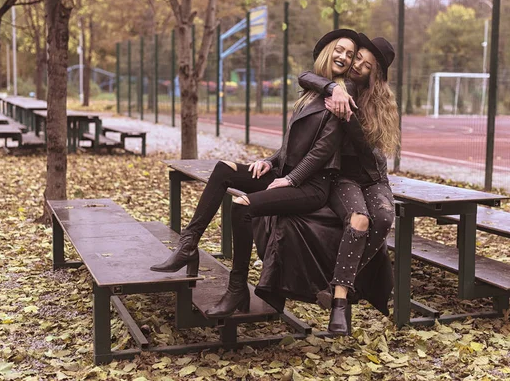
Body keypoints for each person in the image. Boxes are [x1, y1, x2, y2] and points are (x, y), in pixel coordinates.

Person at [150, 29, 360, 319]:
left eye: (350, 54)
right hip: (286, 171)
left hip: (311, 185)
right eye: (340, 49)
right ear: (327, 51)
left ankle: (236, 289)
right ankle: (188, 244)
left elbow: (322, 150)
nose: (344, 57)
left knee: (243, 206)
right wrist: (270, 160)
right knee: (224, 169)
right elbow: (293, 141)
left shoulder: (343, 95)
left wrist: (290, 179)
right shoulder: (315, 91)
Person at [253, 34, 399, 335]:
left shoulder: (374, 101)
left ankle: (338, 283)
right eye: (357, 57)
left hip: (372, 177)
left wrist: (348, 118)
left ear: (376, 74)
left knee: (384, 218)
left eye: (366, 64)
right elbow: (306, 76)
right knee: (358, 220)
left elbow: (367, 154)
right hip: (342, 177)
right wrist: (333, 87)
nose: (357, 64)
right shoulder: (340, 87)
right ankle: (340, 301)